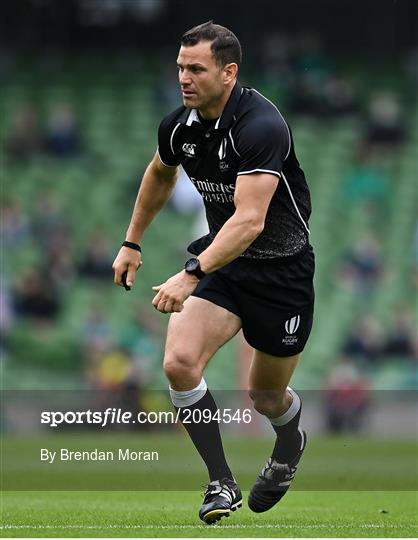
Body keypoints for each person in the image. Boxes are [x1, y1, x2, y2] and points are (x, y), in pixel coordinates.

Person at [112, 21, 315, 524]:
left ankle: (289, 445)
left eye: (196, 69)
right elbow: (161, 171)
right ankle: (220, 481)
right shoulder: (180, 126)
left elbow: (250, 221)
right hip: (224, 265)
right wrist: (131, 241)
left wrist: (190, 272)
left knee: (266, 396)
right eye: (180, 67)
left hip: (280, 274)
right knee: (179, 362)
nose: (184, 77)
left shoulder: (261, 125)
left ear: (228, 73)